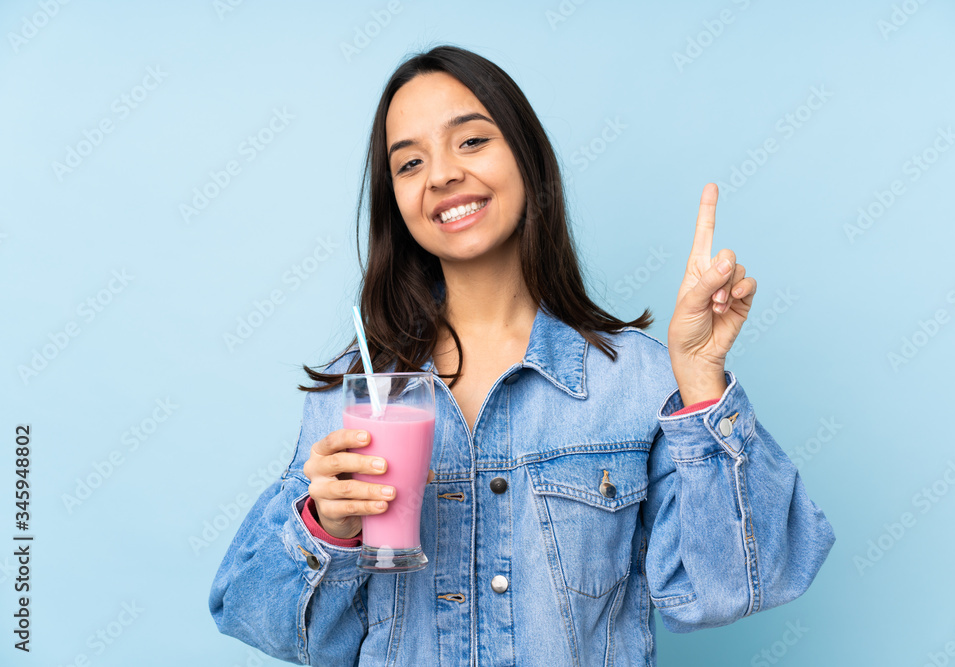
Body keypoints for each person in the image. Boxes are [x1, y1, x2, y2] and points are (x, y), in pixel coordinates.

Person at [209, 44, 835, 666]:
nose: (442, 175)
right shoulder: (357, 396)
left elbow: (729, 590)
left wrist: (701, 382)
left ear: (527, 159)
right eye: (409, 164)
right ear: (395, 204)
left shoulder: (638, 381)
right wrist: (326, 527)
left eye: (472, 141)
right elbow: (266, 624)